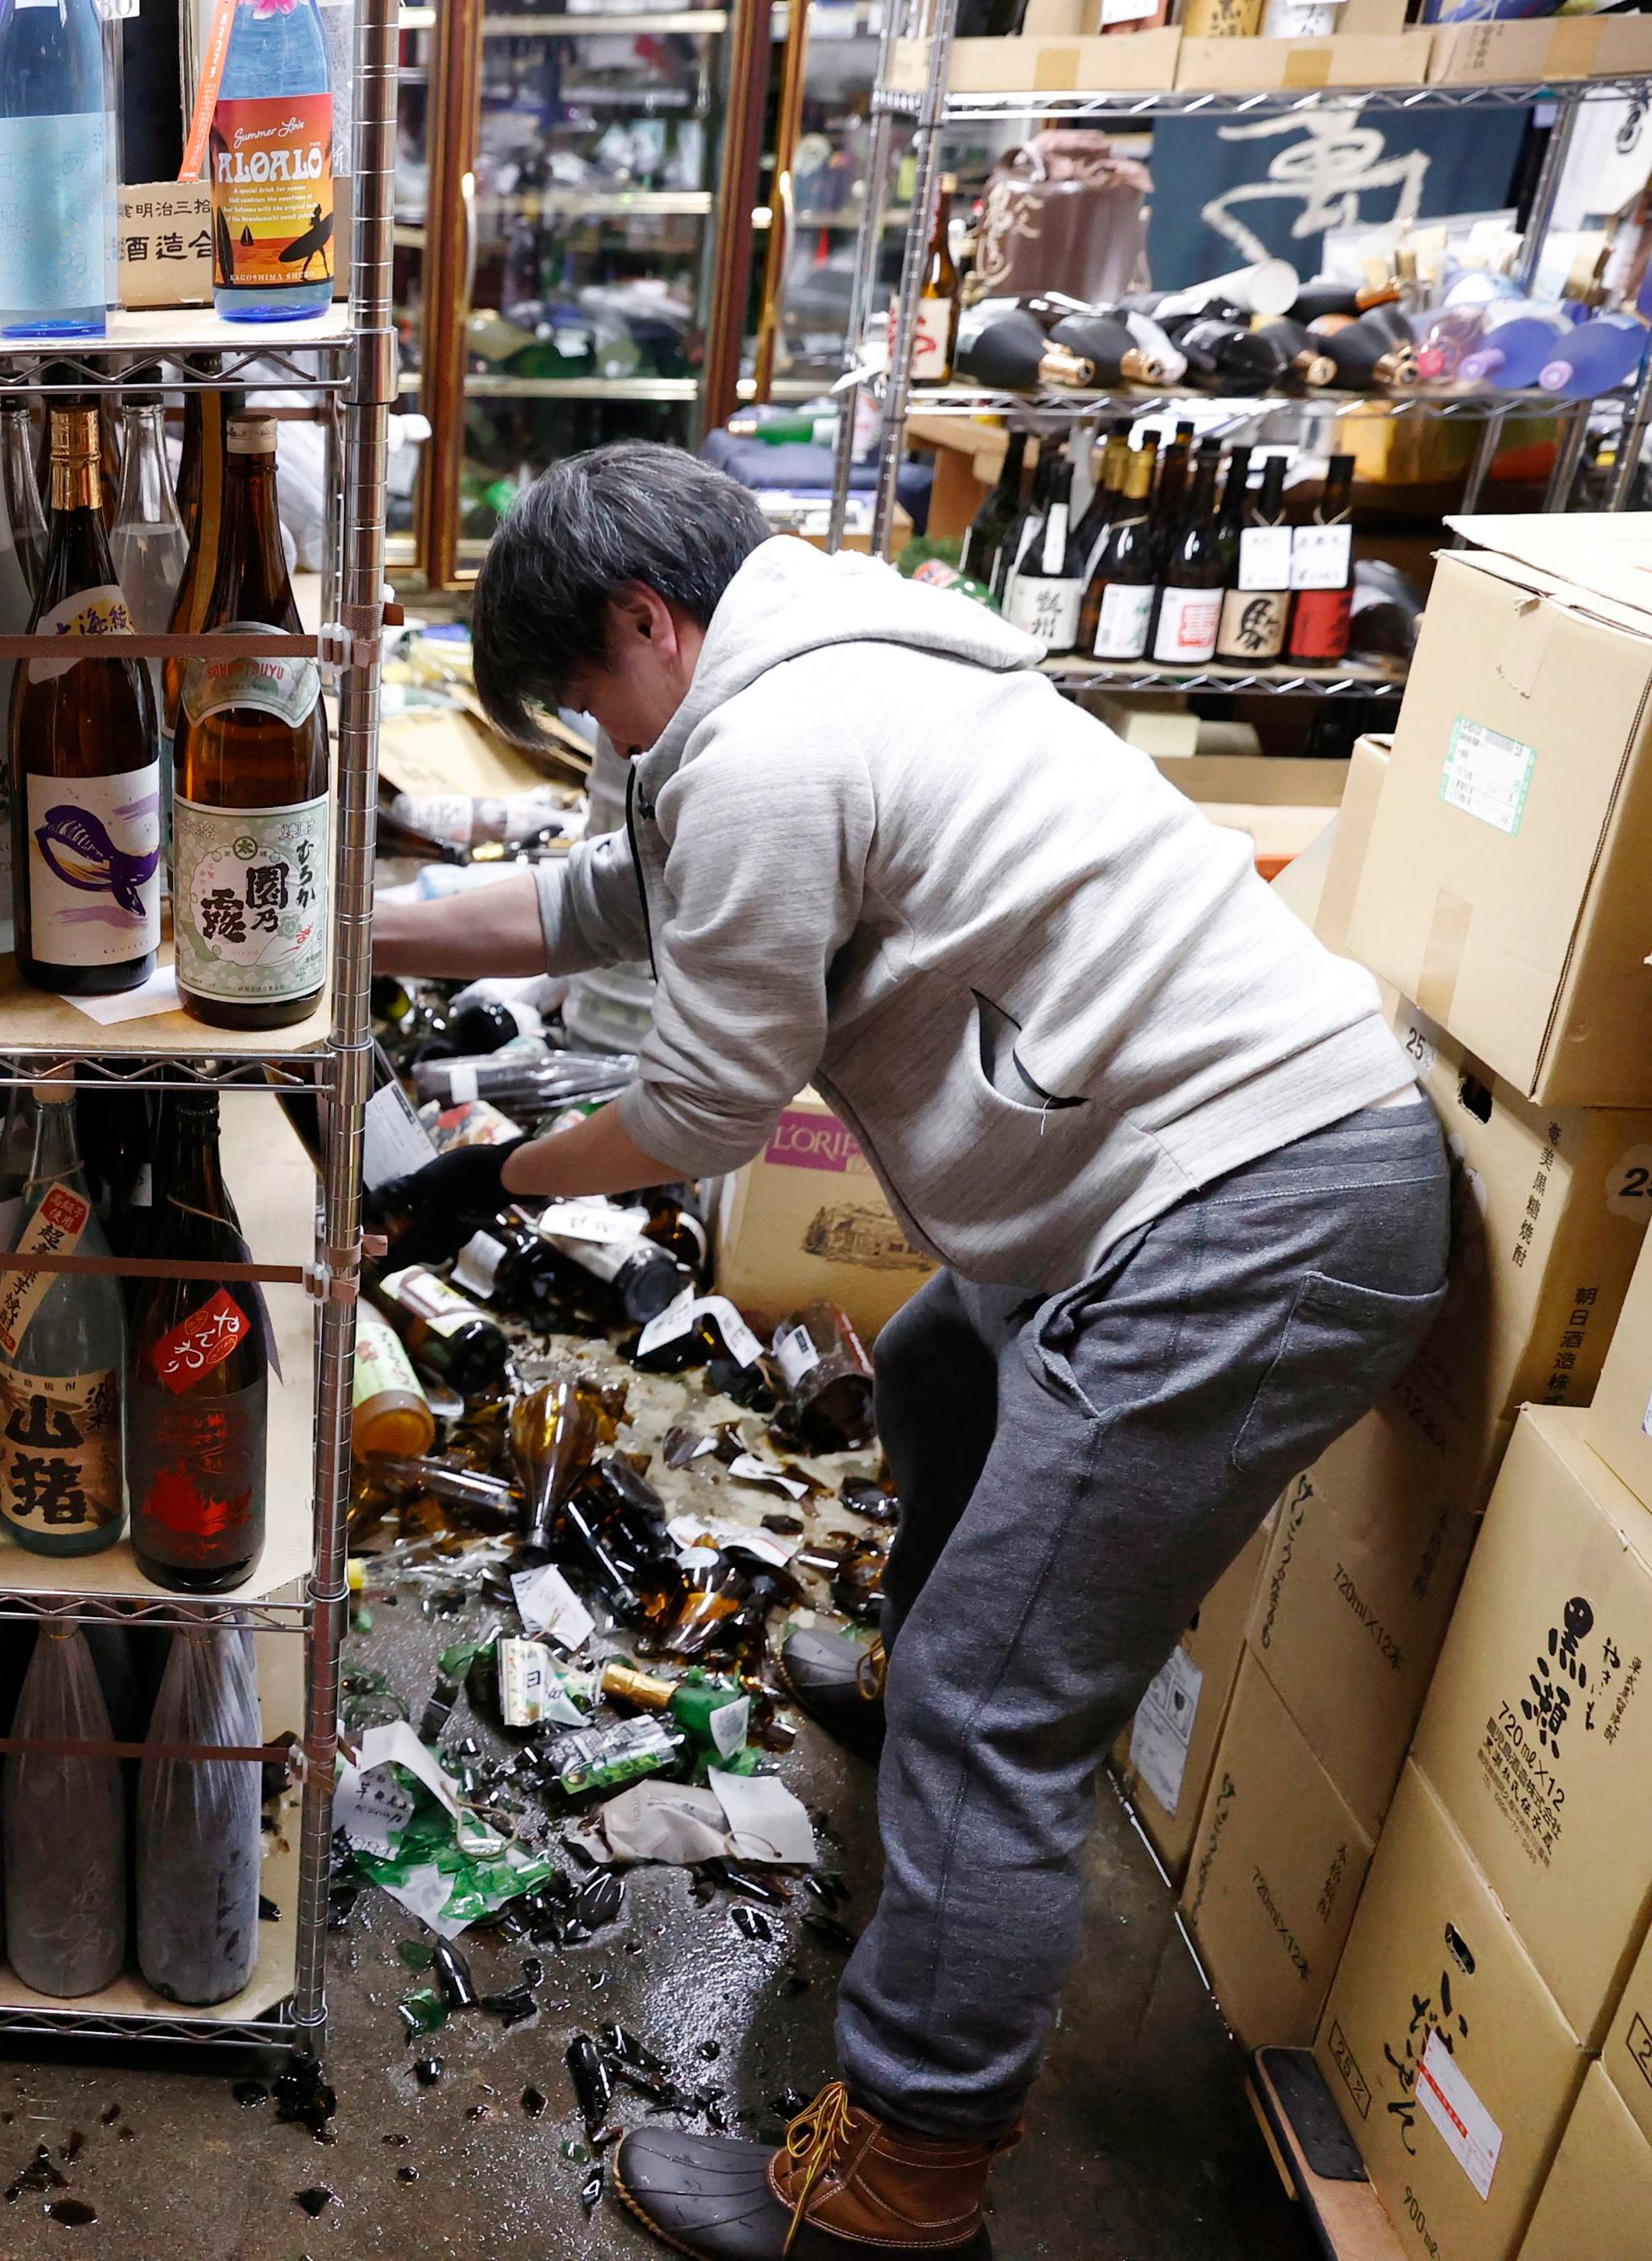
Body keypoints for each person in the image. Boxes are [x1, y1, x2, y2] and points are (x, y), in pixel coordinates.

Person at [374, 444, 1446, 2261]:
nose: (596, 739)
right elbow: (592, 903)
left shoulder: (774, 747)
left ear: (648, 619)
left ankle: (897, 2184)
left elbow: (707, 1109)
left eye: (583, 696)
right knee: (946, 1367)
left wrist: (486, 1174)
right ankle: (913, 1673)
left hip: (1247, 1218)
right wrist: (356, 923)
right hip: (1183, 1180)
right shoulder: (832, 667)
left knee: (996, 1704)